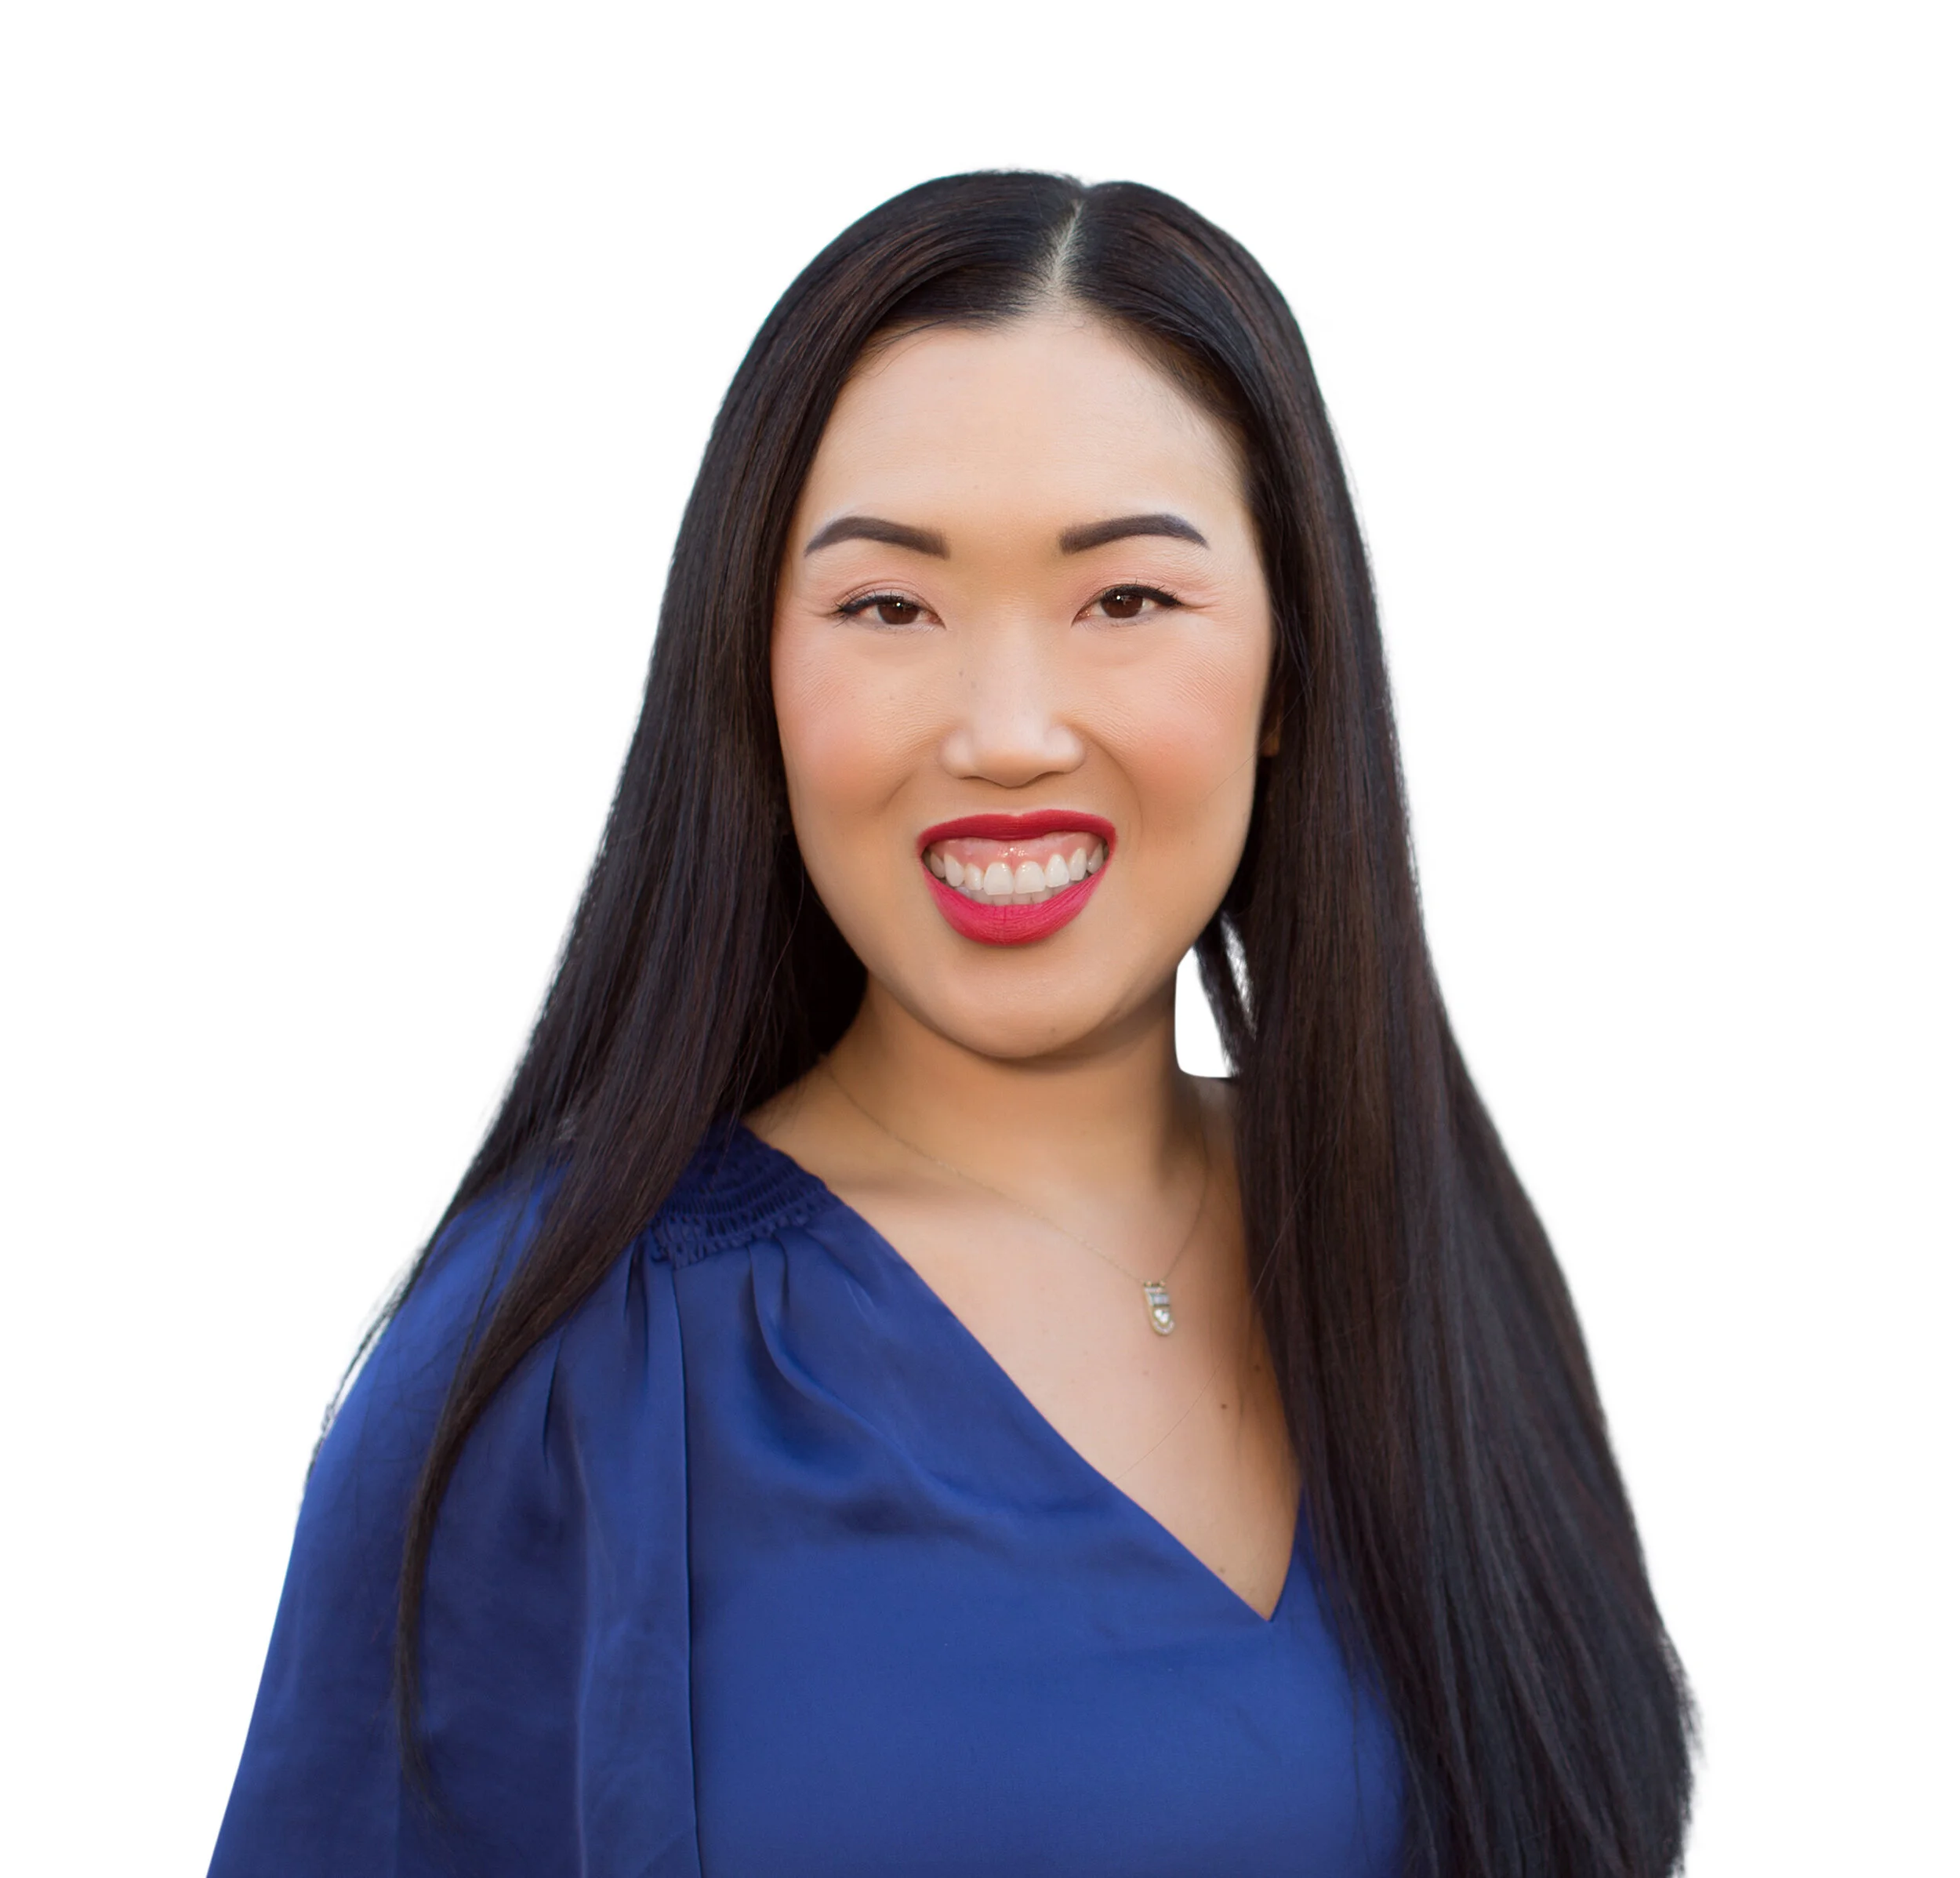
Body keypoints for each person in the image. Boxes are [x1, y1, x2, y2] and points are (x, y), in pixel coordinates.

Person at [209, 173, 1693, 1877]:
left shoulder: (1427, 1241)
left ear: (1290, 667)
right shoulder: (563, 1369)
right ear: (754, 675)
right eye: (888, 607)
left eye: (1125, 600)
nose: (1004, 732)